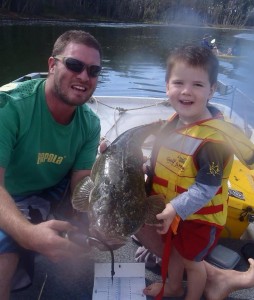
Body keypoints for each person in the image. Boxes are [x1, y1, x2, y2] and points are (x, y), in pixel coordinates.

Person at [134, 45, 254, 299]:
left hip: (199, 221)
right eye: (178, 82)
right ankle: (173, 287)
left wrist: (175, 208)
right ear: (167, 86)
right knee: (175, 252)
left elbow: (207, 188)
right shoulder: (173, 124)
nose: (186, 91)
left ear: (212, 90)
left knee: (192, 263)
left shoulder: (212, 141)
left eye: (198, 85)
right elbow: (162, 166)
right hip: (175, 213)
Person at [0, 30, 102, 299]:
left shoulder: (89, 123)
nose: (84, 76)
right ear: (52, 65)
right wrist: (28, 235)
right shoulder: (8, 107)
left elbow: (81, 184)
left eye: (93, 70)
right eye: (74, 65)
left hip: (51, 189)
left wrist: (100, 219)